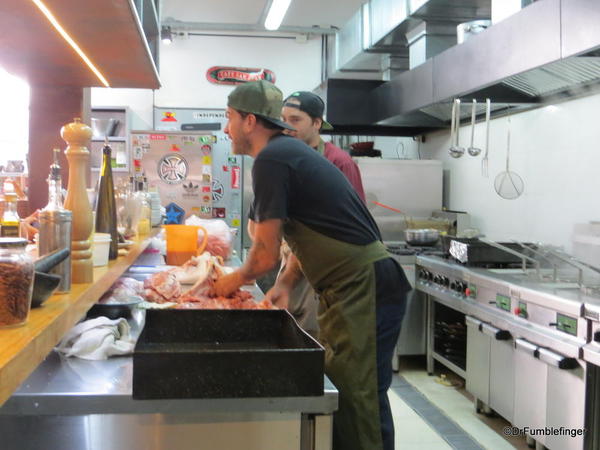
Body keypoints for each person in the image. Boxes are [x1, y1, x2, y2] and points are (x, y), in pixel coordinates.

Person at [213, 80, 410, 450]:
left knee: (357, 398)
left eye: (229, 118)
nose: (226, 129)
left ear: (250, 120)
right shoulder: (284, 154)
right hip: (354, 288)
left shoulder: (273, 158)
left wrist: (228, 283)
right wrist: (286, 283)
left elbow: (263, 256)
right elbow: (311, 233)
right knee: (357, 391)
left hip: (362, 287)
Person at [271, 91, 366, 337]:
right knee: (289, 328)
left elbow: (355, 224)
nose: (286, 126)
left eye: (295, 119)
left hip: (326, 267)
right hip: (292, 258)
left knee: (315, 334)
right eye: (283, 118)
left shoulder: (339, 162)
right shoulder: (286, 159)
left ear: (316, 123)